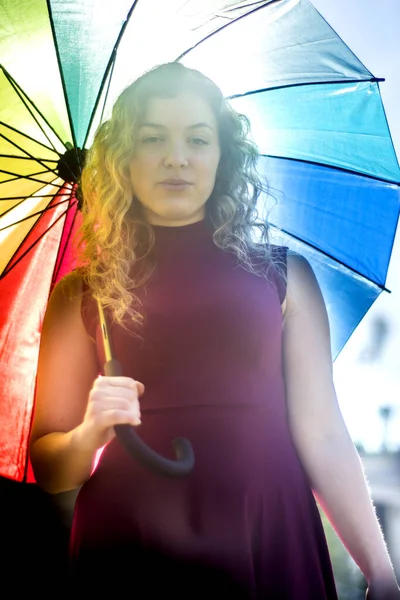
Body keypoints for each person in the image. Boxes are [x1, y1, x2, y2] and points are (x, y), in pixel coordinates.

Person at [29, 62, 399, 599]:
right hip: (128, 542)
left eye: (197, 139)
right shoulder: (83, 293)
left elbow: (322, 432)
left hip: (270, 532)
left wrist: (382, 571)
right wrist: (89, 433)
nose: (176, 157)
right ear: (124, 160)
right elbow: (51, 468)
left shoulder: (283, 275)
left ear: (222, 155)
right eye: (152, 138)